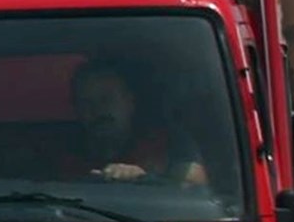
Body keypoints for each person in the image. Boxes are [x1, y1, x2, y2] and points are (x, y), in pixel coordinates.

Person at [65, 58, 208, 186]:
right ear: (76, 109)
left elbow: (197, 185)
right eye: (86, 102)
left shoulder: (168, 142)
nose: (97, 110)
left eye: (106, 99)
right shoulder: (61, 151)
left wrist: (144, 179)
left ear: (129, 101)